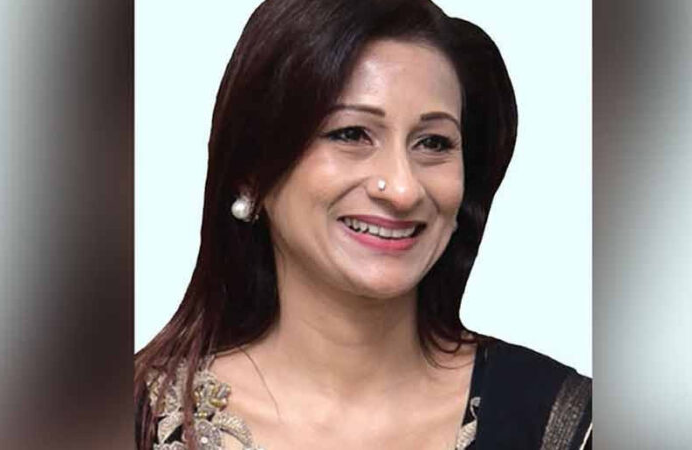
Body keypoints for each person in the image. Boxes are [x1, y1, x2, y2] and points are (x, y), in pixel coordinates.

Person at [135, 0, 591, 448]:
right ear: (252, 171)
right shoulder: (133, 419)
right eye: (351, 134)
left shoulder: (565, 422)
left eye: (433, 142)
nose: (403, 189)